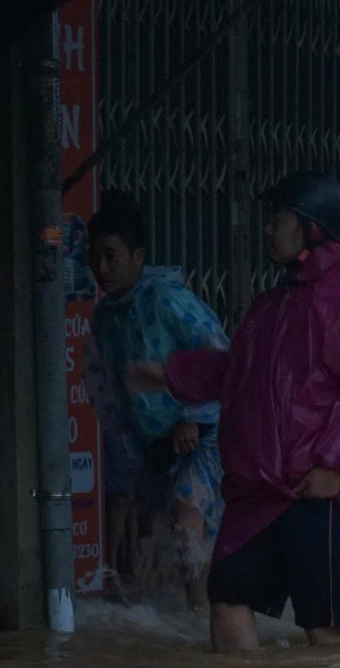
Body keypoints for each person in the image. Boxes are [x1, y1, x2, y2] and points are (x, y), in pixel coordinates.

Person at [129, 171, 340, 652]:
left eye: (277, 219)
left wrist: (333, 466)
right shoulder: (270, 308)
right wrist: (170, 373)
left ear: (311, 228)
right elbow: (239, 372)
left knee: (325, 628)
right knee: (226, 601)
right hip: (256, 492)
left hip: (314, 489)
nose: (266, 229)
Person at [82, 191, 227, 609]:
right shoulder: (107, 316)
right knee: (154, 538)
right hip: (152, 443)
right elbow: (102, 380)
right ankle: (186, 617)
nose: (101, 268)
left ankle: (203, 615)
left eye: (111, 256)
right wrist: (127, 437)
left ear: (138, 256)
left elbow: (218, 355)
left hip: (205, 434)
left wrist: (193, 418)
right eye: (95, 257)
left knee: (186, 520)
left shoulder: (167, 299)